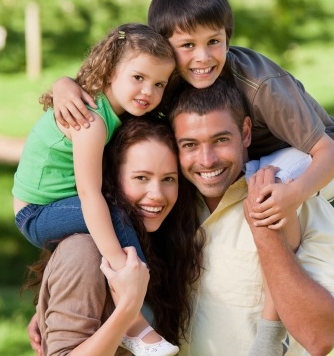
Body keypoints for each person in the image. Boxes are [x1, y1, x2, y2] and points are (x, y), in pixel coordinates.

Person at [49, 0, 334, 354]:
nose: (202, 57)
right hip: (253, 161)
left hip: (315, 158)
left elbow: (329, 154)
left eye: (213, 43)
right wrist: (63, 85)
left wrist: (287, 201)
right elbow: (111, 98)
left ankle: (269, 335)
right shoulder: (163, 102)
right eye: (187, 46)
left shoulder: (259, 83)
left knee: (265, 193)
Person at [12, 23, 180, 356]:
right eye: (138, 78)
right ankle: (134, 317)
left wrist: (63, 83)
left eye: (159, 83)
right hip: (37, 212)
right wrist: (125, 270)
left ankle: (131, 306)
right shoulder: (91, 122)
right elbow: (90, 196)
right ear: (109, 72)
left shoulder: (114, 114)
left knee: (115, 215)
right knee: (115, 215)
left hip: (58, 205)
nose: (148, 91)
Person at [167, 78, 334, 356]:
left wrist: (266, 232)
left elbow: (319, 337)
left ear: (245, 133)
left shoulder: (301, 205)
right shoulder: (165, 208)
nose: (206, 160)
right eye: (190, 145)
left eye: (220, 140)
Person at [25, 116, 204, 356]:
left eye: (168, 179)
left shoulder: (161, 243)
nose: (157, 194)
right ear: (111, 178)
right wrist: (127, 309)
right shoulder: (84, 251)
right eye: (141, 177)